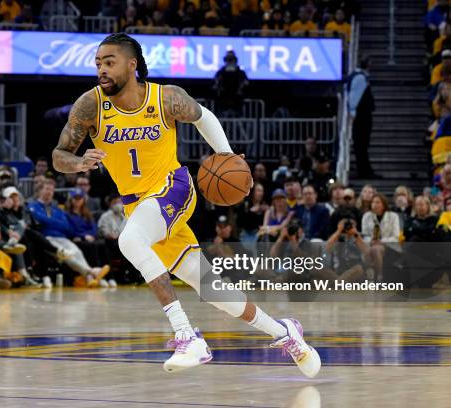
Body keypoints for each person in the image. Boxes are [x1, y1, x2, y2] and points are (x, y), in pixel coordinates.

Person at [51, 33, 320, 376]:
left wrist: (224, 155)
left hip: (173, 187)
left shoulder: (166, 98)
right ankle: (285, 333)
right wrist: (78, 163)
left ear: (132, 65)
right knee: (212, 289)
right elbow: (59, 155)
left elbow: (204, 116)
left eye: (109, 62)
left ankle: (186, 335)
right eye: (98, 63)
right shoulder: (89, 105)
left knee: (129, 240)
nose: (101, 69)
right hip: (139, 208)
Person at [28, 179, 110, 287]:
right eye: (47, 189)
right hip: (47, 239)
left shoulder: (57, 209)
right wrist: (55, 222)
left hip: (62, 238)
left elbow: (66, 226)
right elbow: (39, 219)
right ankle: (92, 273)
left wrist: (49, 222)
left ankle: (90, 277)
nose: (49, 192)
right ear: (40, 191)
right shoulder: (32, 206)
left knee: (77, 252)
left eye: (52, 190)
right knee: (67, 255)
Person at [348, 56, 378, 178]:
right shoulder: (360, 78)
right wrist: (353, 112)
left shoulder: (362, 76)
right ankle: (363, 171)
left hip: (363, 115)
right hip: (361, 116)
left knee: (363, 144)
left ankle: (365, 170)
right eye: (371, 62)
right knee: (361, 144)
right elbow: (354, 97)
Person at [213, 50, 249, 117]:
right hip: (223, 100)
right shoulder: (220, 72)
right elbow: (215, 84)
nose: (230, 61)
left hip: (237, 101)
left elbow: (246, 82)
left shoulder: (240, 72)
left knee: (239, 118)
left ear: (235, 60)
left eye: (231, 59)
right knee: (221, 118)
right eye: (228, 59)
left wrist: (240, 88)